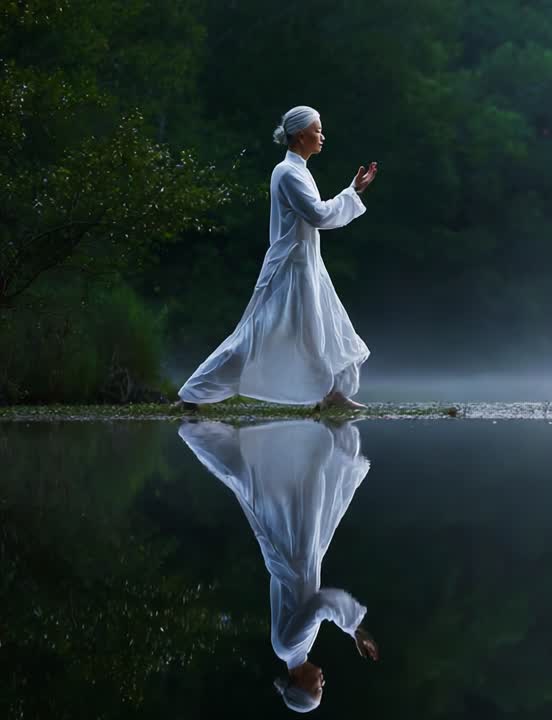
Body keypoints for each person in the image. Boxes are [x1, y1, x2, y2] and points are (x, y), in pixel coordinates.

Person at [175, 105, 378, 412]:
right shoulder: (287, 173)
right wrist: (350, 193)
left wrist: (353, 191)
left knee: (331, 326)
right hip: (289, 268)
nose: (322, 135)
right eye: (317, 130)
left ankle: (334, 393)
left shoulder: (300, 171)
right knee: (255, 334)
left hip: (308, 264)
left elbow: (317, 214)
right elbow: (318, 214)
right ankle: (193, 394)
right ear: (299, 135)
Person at [179, 419, 380, 713]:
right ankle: (321, 425)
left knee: (288, 490)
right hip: (299, 559)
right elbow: (292, 594)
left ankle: (207, 428)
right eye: (321, 688)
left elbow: (320, 603)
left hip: (294, 555)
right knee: (305, 488)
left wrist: (354, 627)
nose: (322, 681)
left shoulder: (288, 645)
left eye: (316, 687)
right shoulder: (297, 648)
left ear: (298, 680)